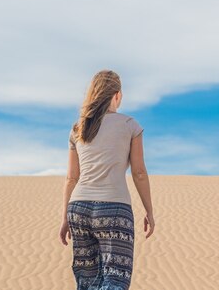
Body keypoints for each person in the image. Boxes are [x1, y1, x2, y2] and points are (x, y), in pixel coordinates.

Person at [58, 69, 155, 290]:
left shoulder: (79, 128)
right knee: (115, 281)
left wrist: (65, 217)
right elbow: (139, 172)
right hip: (114, 211)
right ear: (117, 95)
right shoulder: (130, 125)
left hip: (78, 209)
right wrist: (149, 211)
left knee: (87, 283)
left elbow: (71, 178)